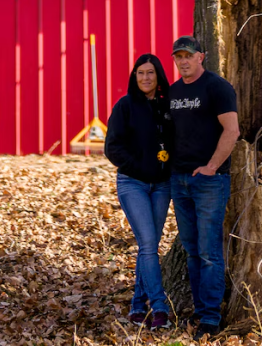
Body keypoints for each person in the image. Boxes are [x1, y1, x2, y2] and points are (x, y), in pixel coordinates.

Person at [168, 35, 239, 339]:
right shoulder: (172, 93)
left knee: (209, 251)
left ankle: (211, 318)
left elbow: (232, 130)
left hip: (209, 181)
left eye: (188, 55)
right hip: (179, 180)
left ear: (201, 56)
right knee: (192, 251)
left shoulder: (217, 87)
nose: (183, 61)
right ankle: (200, 310)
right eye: (178, 56)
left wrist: (211, 167)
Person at [105, 54, 174, 330]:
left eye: (150, 73)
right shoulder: (125, 106)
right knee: (148, 245)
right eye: (140, 73)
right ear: (135, 76)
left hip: (162, 185)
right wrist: (140, 167)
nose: (145, 78)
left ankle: (137, 306)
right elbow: (113, 147)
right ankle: (159, 308)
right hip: (133, 183)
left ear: (158, 76)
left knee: (149, 248)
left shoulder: (168, 105)